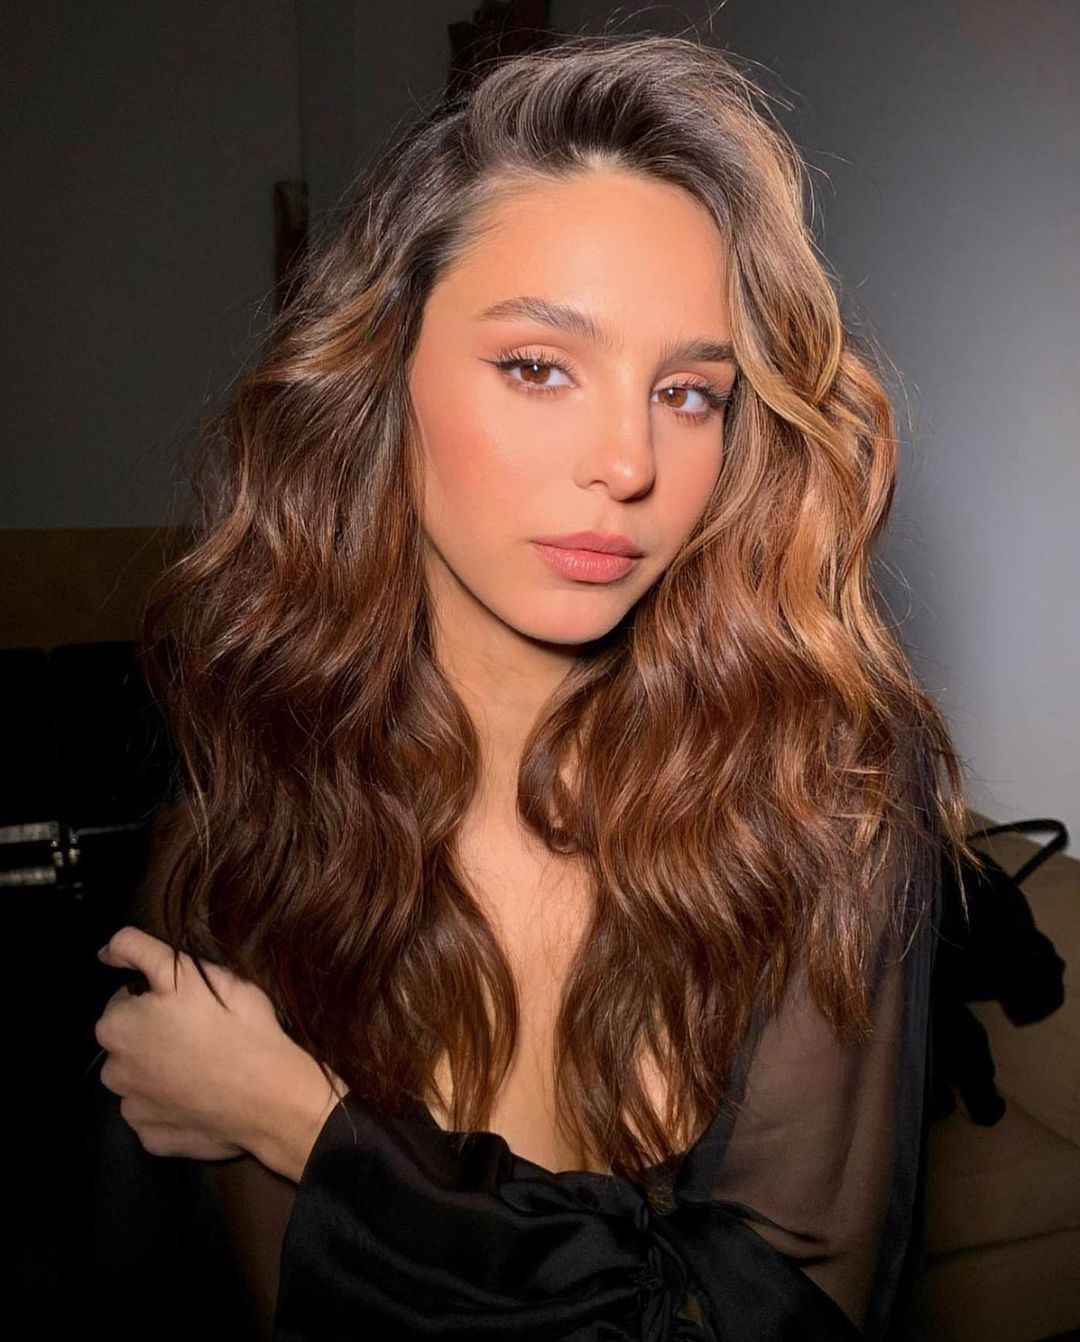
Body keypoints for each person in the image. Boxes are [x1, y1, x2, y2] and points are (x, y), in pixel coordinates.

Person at [92, 30, 974, 1342]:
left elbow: (781, 1322)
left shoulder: (824, 796)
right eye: (538, 367)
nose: (628, 460)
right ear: (382, 377)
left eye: (689, 392)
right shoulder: (256, 809)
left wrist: (309, 1130)